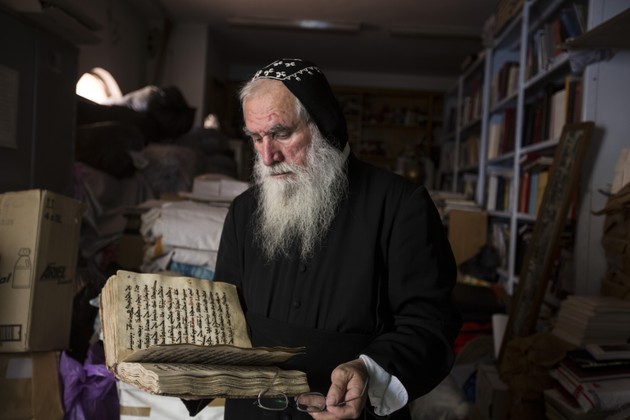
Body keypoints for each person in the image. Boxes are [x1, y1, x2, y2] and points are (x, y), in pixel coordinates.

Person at [184, 58, 461, 419]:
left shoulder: (400, 205)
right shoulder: (243, 210)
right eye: (256, 138)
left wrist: (369, 371)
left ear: (325, 124)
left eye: (282, 133)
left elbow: (429, 322)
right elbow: (223, 314)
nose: (268, 156)